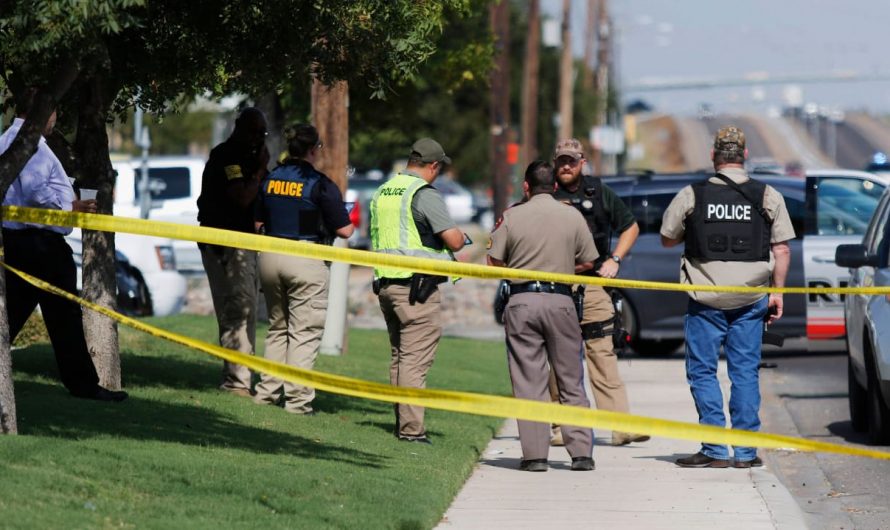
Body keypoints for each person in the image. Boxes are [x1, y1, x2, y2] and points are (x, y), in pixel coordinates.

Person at [660, 126, 794, 468]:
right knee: (745, 372)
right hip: (751, 300)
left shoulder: (693, 194)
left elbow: (667, 238)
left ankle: (715, 450)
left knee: (703, 372)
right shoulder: (768, 195)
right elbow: (781, 249)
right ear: (745, 155)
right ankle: (746, 453)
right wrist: (777, 293)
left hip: (705, 300)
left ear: (714, 156)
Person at [1, 95, 126, 401]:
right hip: (39, 244)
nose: (56, 117)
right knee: (64, 315)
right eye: (53, 109)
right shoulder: (26, 142)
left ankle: (83, 384)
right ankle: (84, 385)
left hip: (22, 242)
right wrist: (71, 206)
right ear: (42, 111)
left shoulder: (11, 139)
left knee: (16, 314)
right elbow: (34, 191)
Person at [487, 160, 598, 472]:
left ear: (526, 186)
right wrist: (562, 267)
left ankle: (535, 456)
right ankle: (581, 454)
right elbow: (590, 261)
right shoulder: (572, 216)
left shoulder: (511, 216)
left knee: (528, 381)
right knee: (570, 380)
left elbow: (493, 260)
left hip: (522, 301)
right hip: (561, 301)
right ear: (555, 186)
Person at [550, 138, 648, 447]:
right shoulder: (545, 193)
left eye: (572, 161)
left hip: (593, 286)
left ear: (582, 163)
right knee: (558, 358)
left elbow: (630, 227)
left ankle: (620, 426)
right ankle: (558, 426)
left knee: (602, 354)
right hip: (556, 286)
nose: (566, 166)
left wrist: (615, 260)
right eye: (561, 161)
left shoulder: (599, 192)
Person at [253, 124, 353, 414]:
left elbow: (257, 224)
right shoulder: (320, 184)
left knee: (277, 328)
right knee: (304, 332)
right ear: (312, 150)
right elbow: (345, 231)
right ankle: (297, 401)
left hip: (270, 257)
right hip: (306, 259)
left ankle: (266, 393)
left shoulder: (270, 178)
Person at [370, 138, 465, 444]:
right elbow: (453, 240)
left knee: (400, 357)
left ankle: (402, 422)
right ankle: (412, 430)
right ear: (433, 166)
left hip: (386, 284)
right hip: (416, 289)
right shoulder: (423, 193)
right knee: (415, 361)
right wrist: (461, 235)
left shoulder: (384, 190)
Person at [196, 107, 270, 397]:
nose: (258, 139)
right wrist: (261, 170)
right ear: (239, 127)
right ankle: (236, 382)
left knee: (246, 309)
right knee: (236, 309)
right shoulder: (227, 156)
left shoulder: (248, 158)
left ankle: (241, 378)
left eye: (262, 133)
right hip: (225, 245)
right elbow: (241, 196)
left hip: (243, 243)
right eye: (255, 132)